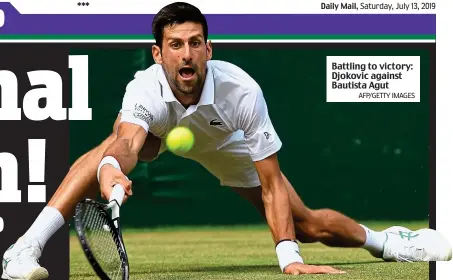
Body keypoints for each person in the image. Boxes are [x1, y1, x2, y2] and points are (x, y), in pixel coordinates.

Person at [2, 2, 451, 279]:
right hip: (159, 134)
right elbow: (127, 142)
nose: (186, 53)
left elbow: (271, 181)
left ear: (209, 49)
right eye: (175, 45)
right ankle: (24, 249)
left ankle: (389, 243)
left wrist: (287, 256)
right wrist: (111, 170)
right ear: (158, 54)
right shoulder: (145, 89)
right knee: (105, 151)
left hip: (224, 143)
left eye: (195, 43)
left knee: (308, 226)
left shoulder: (241, 92)